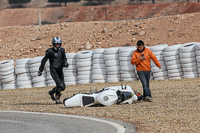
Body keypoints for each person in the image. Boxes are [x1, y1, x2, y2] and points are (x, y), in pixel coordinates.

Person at [38, 37, 68, 104]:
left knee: (63, 87)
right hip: (53, 70)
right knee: (59, 85)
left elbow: (64, 58)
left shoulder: (62, 50)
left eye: (58, 44)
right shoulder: (49, 51)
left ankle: (51, 92)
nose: (57, 46)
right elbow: (44, 60)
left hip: (60, 70)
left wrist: (65, 63)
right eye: (56, 44)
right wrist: (40, 70)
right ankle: (57, 99)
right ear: (53, 44)